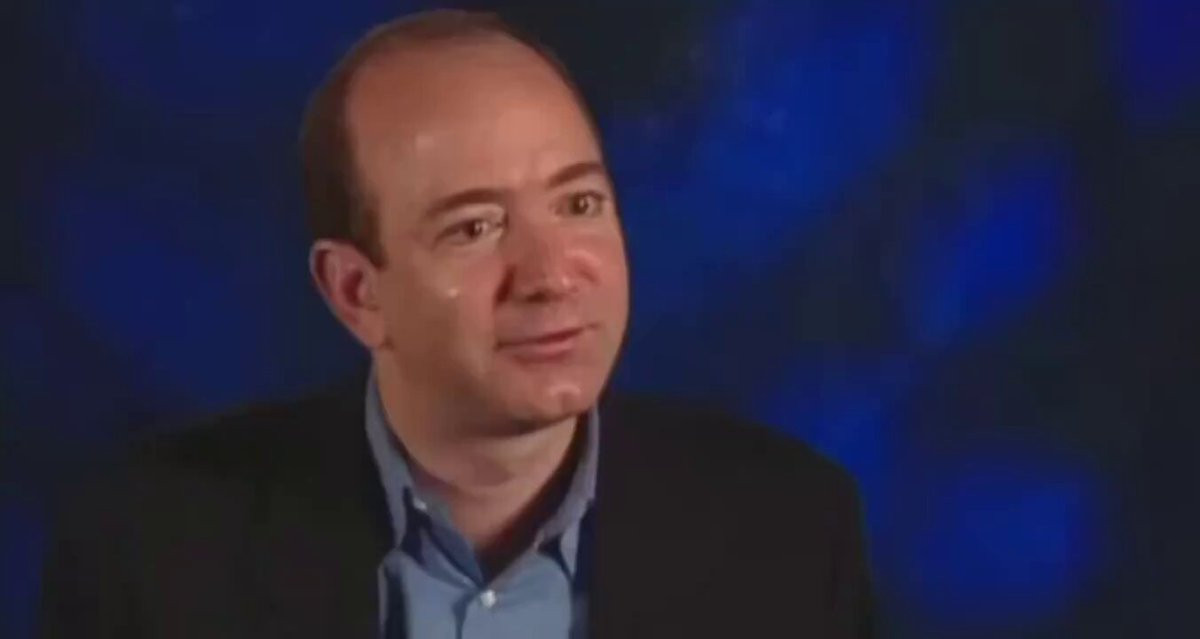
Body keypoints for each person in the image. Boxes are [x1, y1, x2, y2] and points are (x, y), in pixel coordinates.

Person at [38, 9, 873, 639]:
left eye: (580, 204)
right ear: (356, 292)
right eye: (474, 227)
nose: (552, 276)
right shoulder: (148, 552)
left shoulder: (790, 532)